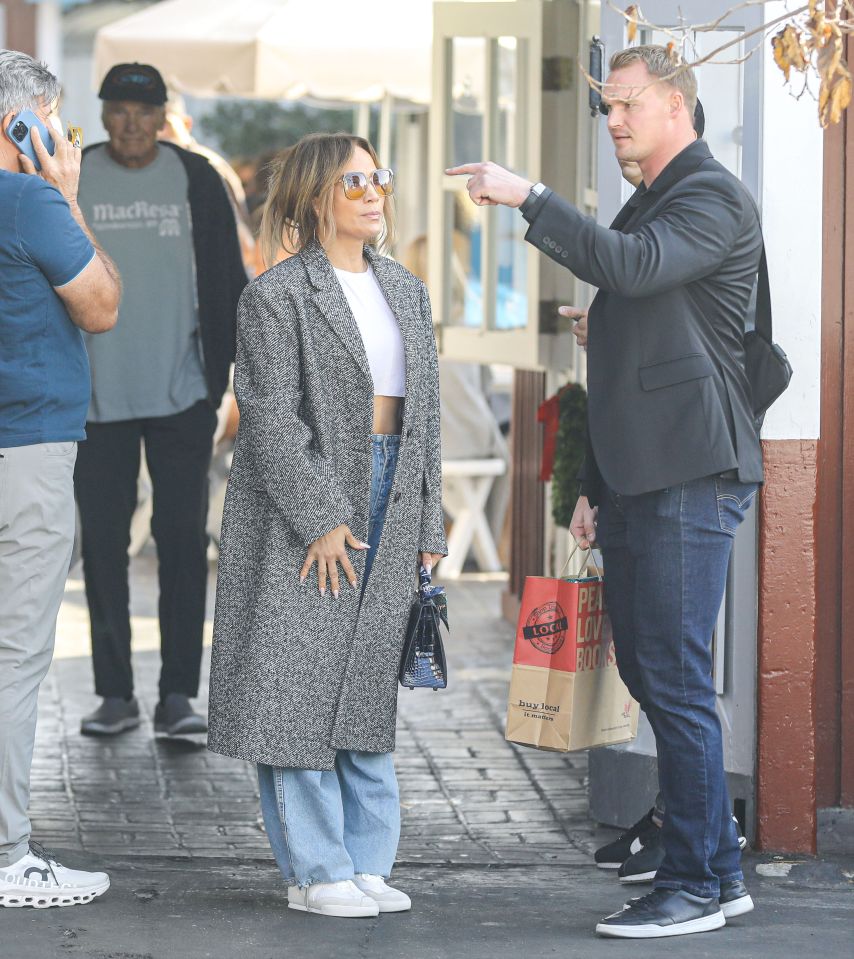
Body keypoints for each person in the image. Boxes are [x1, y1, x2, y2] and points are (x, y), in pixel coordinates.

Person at [449, 45, 763, 939]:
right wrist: (592, 481)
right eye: (607, 107)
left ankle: (694, 885)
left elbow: (629, 267)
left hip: (689, 472)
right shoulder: (660, 198)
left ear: (676, 105)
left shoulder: (709, 192)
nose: (614, 121)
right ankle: (720, 873)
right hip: (641, 471)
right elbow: (641, 318)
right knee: (656, 671)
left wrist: (530, 197)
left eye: (625, 105)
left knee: (673, 677)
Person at [206, 133, 447, 919]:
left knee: (367, 682)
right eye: (354, 181)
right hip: (302, 501)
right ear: (317, 198)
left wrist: (427, 514)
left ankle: (367, 860)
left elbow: (427, 415)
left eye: (379, 175)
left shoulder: (406, 290)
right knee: (294, 683)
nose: (374, 191)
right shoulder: (274, 296)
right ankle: (314, 868)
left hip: (393, 489)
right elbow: (269, 419)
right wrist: (320, 517)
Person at [74, 63, 247, 739]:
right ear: (104, 113)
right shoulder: (75, 173)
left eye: (145, 112)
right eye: (119, 110)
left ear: (164, 115)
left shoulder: (194, 177)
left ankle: (179, 693)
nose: (132, 125)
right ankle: (114, 692)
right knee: (104, 546)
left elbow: (230, 279)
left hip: (180, 393)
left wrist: (226, 377)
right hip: (93, 395)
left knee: (181, 541)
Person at [0, 50, 121, 907]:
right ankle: (7, 854)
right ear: (24, 123)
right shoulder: (32, 200)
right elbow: (104, 304)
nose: (64, 137)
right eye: (58, 121)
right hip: (29, 452)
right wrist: (69, 193)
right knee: (14, 659)